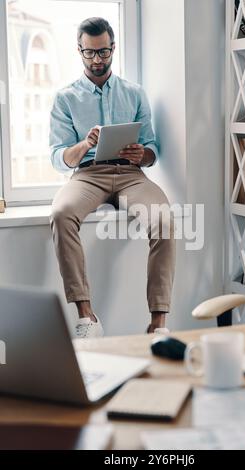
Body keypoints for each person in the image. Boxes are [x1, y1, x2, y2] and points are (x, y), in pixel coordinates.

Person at [49, 17, 176, 339]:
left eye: (103, 52)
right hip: (88, 175)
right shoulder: (66, 98)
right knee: (62, 214)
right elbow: (58, 157)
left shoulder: (134, 94)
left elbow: (153, 148)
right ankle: (86, 317)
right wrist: (85, 144)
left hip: (131, 175)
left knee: (163, 218)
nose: (97, 60)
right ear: (79, 51)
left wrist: (142, 155)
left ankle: (158, 323)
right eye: (89, 53)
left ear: (113, 48)